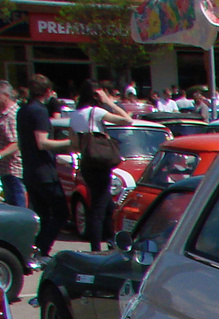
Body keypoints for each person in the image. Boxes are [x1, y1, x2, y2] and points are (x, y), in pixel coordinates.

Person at [71, 79, 133, 252]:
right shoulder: (96, 112)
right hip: (100, 163)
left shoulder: (75, 115)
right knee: (98, 206)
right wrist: (109, 102)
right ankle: (96, 247)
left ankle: (111, 238)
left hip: (87, 163)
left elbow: (74, 143)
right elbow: (127, 120)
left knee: (106, 204)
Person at [19, 76, 70, 258]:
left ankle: (37, 249)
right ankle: (42, 248)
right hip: (44, 172)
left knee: (42, 214)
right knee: (61, 212)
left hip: (30, 170)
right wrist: (69, 143)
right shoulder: (39, 111)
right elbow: (42, 142)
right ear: (47, 91)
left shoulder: (24, 109)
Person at [0, 83, 24, 209]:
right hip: (5, 170)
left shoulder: (12, 115)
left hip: (13, 170)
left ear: (6, 95)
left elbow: (16, 143)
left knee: (18, 209)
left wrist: (0, 154)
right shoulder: (3, 115)